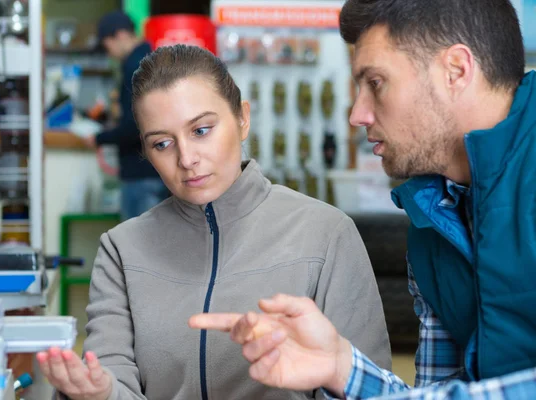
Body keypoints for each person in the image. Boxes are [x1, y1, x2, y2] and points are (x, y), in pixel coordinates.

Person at [189, 0, 536, 398]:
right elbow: (439, 388)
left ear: (455, 71)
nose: (357, 114)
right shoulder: (431, 219)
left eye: (375, 83)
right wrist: (341, 367)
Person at [37, 44, 391, 400]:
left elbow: (370, 387)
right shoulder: (122, 250)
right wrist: (97, 394)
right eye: (162, 143)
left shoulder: (327, 234)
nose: (187, 158)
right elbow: (116, 383)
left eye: (202, 130)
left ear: (242, 119)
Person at [86, 11, 168, 221]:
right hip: (156, 171)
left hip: (141, 175)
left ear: (121, 35)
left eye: (108, 45)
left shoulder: (135, 67)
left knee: (140, 250)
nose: (109, 53)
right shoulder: (151, 61)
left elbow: (137, 126)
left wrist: (99, 138)